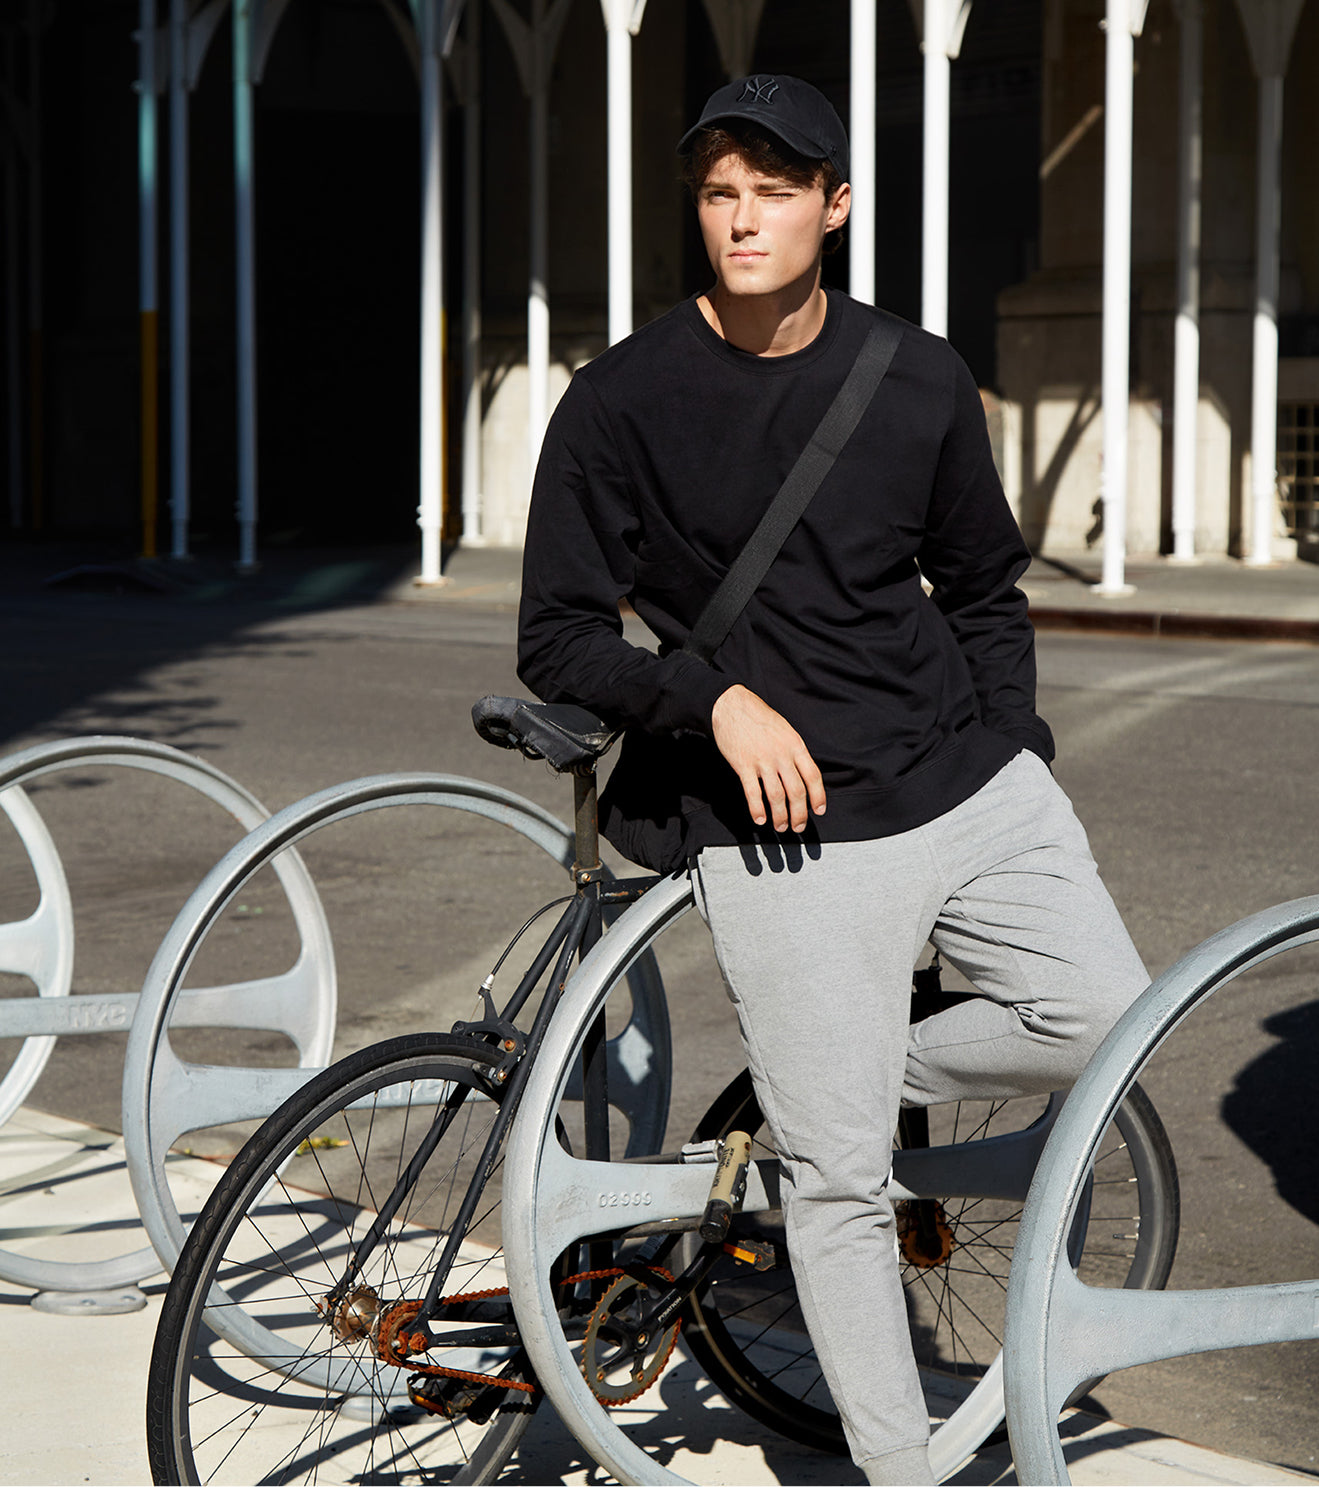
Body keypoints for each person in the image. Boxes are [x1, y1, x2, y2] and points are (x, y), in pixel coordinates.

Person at [517, 73, 1148, 1487]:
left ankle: (821, 1096)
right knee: (843, 1185)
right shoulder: (619, 402)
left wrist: (1013, 749)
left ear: (836, 205)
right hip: (785, 832)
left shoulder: (917, 378)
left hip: (966, 785)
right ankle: (898, 1465)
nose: (743, 220)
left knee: (1109, 1021)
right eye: (719, 194)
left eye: (777, 192)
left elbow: (984, 589)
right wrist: (713, 700)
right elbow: (556, 637)